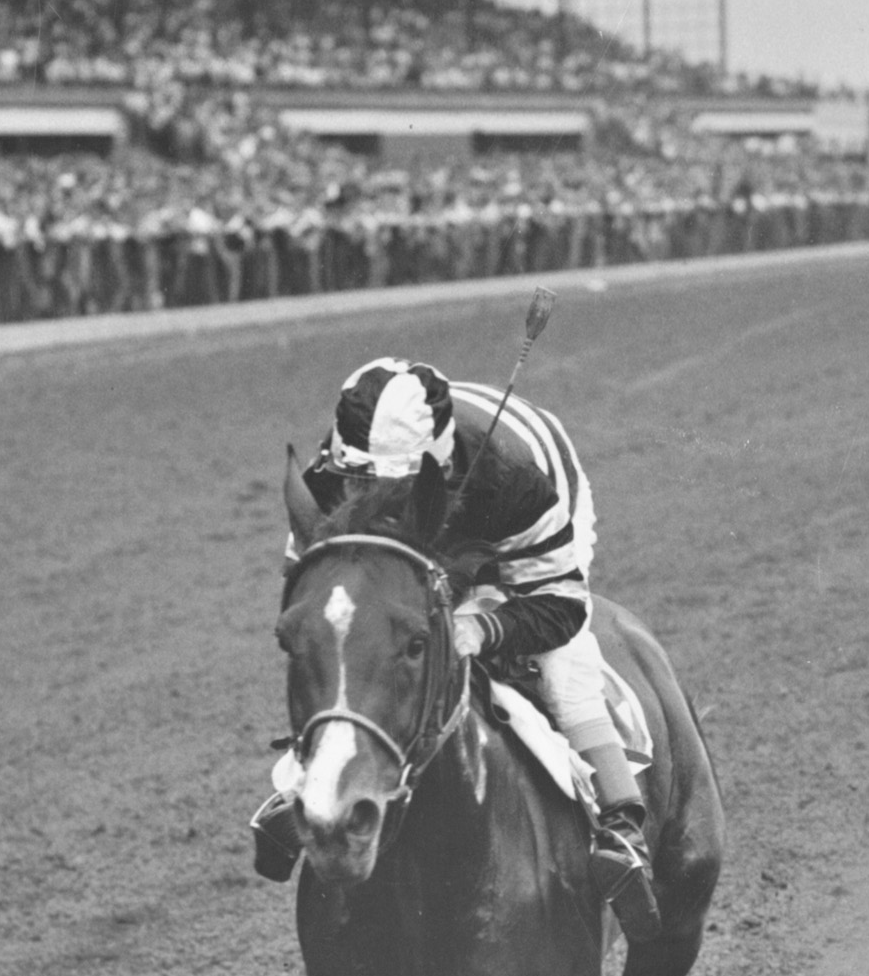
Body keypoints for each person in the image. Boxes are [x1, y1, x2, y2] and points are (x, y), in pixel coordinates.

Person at [250, 356, 662, 939]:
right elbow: (313, 591)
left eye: (394, 486)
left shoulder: (511, 477)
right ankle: (307, 776)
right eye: (366, 486)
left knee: (561, 668)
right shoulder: (333, 471)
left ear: (434, 461)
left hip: (514, 530)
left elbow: (561, 603)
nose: (378, 499)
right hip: (428, 530)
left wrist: (483, 629)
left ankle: (620, 822)